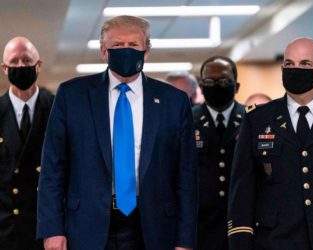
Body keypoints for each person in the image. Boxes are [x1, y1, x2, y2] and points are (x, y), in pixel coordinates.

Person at [36, 15, 197, 250]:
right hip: (86, 225)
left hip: (153, 226)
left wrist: (185, 240)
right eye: (117, 45)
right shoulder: (72, 96)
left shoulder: (174, 101)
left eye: (133, 45)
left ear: (146, 51)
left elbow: (186, 176)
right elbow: (53, 168)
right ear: (104, 51)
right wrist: (51, 229)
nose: (126, 50)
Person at [227, 37, 313, 250]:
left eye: (305, 64)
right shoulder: (258, 119)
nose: (295, 70)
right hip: (275, 240)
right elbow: (242, 190)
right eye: (289, 64)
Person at [0, 37, 54, 250]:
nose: (21, 66)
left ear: (38, 65)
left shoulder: (57, 109)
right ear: (4, 68)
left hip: (46, 229)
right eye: (14, 62)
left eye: (26, 59)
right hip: (5, 231)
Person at [193, 56, 245, 250]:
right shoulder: (186, 121)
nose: (217, 86)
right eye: (209, 82)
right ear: (201, 86)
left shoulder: (252, 120)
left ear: (236, 86)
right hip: (200, 225)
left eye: (224, 81)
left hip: (241, 221)